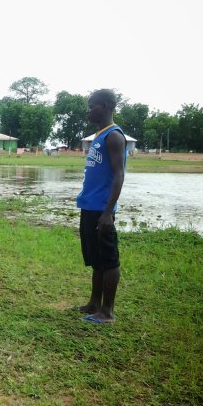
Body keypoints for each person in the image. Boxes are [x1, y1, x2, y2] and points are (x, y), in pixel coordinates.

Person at [76, 89, 128, 324]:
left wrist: (108, 211)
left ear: (106, 106)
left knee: (109, 260)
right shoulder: (99, 135)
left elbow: (119, 175)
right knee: (96, 259)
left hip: (102, 210)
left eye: (92, 106)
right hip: (89, 206)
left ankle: (107, 311)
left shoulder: (114, 136)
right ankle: (94, 303)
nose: (89, 110)